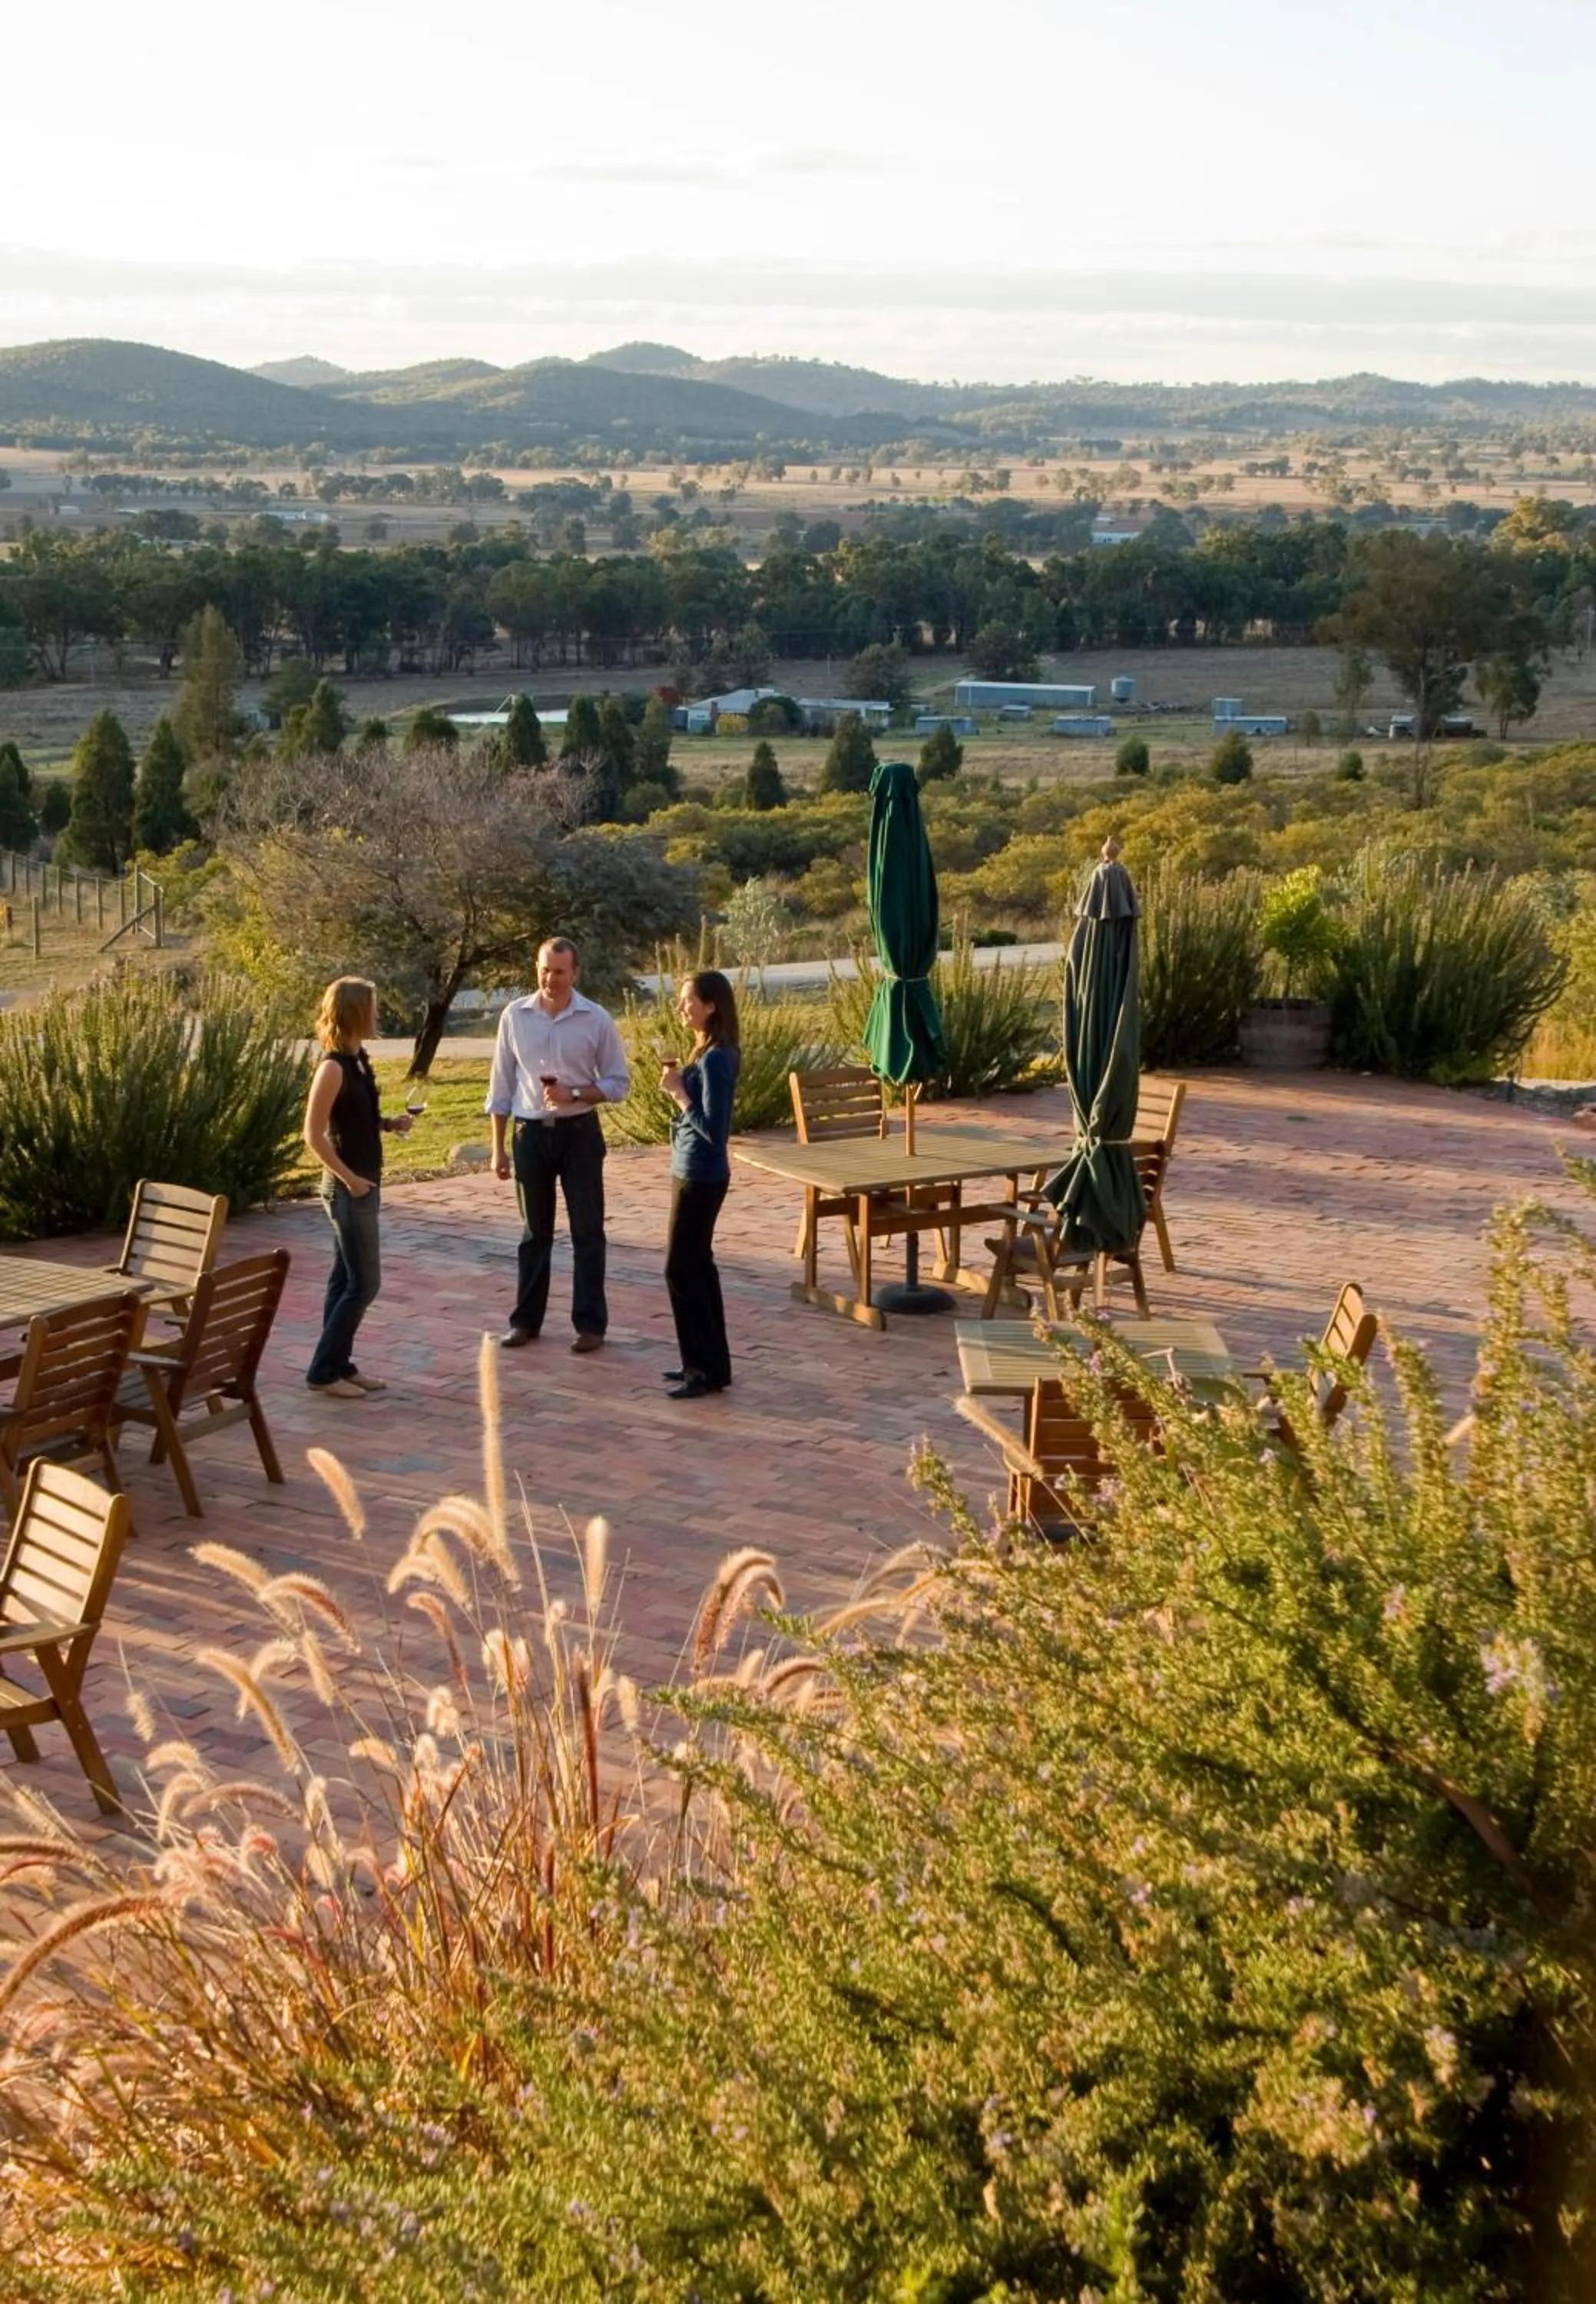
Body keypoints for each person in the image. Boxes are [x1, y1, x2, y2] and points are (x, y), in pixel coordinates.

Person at [487, 936, 631, 1353]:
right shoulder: (514, 1016)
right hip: (530, 1134)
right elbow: (500, 1086)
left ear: (575, 973)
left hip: (579, 1135)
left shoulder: (596, 1019)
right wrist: (498, 1148)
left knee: (588, 1231)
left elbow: (618, 1084)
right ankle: (525, 1322)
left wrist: (578, 1094)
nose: (551, 979)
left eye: (560, 971)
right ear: (537, 969)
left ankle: (590, 1326)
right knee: (535, 1233)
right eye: (545, 970)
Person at [302, 976, 412, 1399]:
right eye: (372, 1007)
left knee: (344, 1278)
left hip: (364, 1183)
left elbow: (356, 1119)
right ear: (355, 1013)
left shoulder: (358, 1059)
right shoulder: (331, 1066)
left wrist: (388, 1124)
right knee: (365, 1283)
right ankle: (323, 1371)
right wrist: (351, 1181)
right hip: (349, 1189)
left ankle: (339, 1366)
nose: (378, 1014)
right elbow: (312, 1135)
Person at [659, 969, 740, 1399]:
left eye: (688, 1000)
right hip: (691, 1170)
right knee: (699, 1267)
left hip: (701, 1175)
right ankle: (708, 1365)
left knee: (679, 1268)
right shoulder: (709, 1050)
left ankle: (703, 1371)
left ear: (711, 1005)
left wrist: (679, 1095)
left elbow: (715, 1129)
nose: (681, 1007)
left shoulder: (716, 1058)